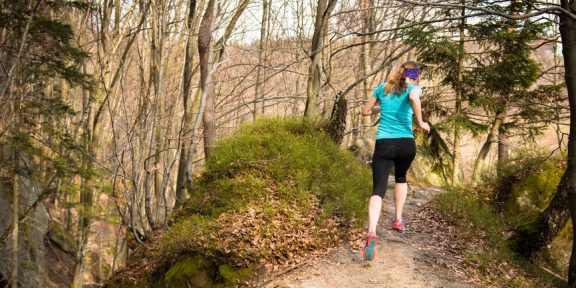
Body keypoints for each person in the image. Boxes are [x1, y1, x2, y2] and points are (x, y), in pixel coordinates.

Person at [360, 61, 430, 261]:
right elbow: (414, 98)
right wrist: (421, 121)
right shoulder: (414, 88)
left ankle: (372, 231)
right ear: (414, 75)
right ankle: (398, 219)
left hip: (384, 143)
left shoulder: (383, 87)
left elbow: (365, 111)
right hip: (406, 144)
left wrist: (381, 108)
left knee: (378, 189)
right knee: (401, 177)